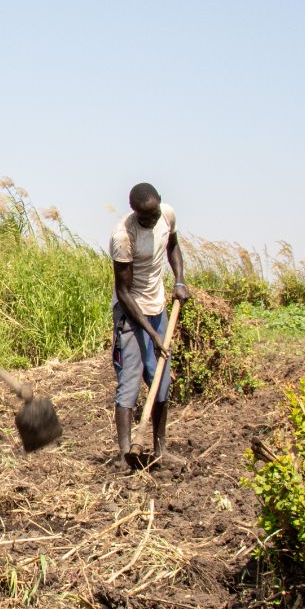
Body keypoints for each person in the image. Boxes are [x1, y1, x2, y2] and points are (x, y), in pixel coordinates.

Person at [110, 181, 189, 470]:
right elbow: (124, 292)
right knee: (129, 383)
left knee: (162, 382)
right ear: (134, 212)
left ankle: (159, 450)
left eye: (154, 214)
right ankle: (123, 456)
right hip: (130, 313)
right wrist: (152, 333)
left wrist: (179, 280)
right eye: (146, 217)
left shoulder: (167, 215)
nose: (152, 220)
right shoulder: (122, 236)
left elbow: (173, 247)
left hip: (158, 308)